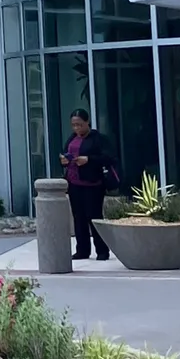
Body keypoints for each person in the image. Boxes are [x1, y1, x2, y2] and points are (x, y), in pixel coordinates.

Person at [59, 109, 115, 261]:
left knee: (94, 216)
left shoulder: (98, 139)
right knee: (79, 217)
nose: (77, 128)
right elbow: (65, 153)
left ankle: (102, 250)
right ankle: (82, 250)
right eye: (74, 125)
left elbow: (108, 157)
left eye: (80, 125)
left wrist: (88, 159)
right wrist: (64, 160)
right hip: (74, 183)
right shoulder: (72, 138)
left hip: (93, 183)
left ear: (87, 122)